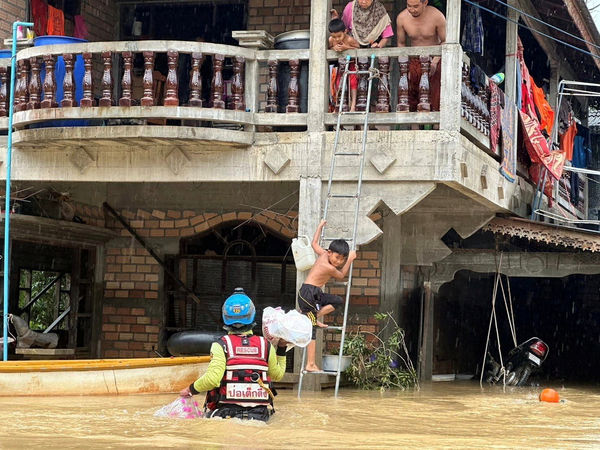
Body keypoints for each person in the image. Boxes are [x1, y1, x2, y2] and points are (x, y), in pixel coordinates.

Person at [179, 287, 287, 422]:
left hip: (225, 413)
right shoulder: (266, 345)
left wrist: (190, 389)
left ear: (225, 317)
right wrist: (282, 349)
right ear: (252, 315)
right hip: (260, 415)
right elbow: (277, 375)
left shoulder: (221, 345)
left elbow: (212, 379)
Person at [298, 220, 357, 372]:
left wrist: (319, 227)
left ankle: (313, 316)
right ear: (330, 253)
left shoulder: (324, 253)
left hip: (315, 293)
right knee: (311, 327)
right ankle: (310, 364)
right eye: (337, 257)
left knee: (337, 301)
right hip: (308, 293)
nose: (339, 261)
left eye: (343, 259)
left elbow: (314, 243)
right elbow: (342, 275)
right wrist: (350, 259)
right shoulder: (328, 266)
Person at [396, 0, 446, 111]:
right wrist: (405, 65)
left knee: (436, 90)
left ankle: (437, 125)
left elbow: (444, 41)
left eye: (416, 6)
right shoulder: (402, 18)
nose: (412, 10)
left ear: (425, 3)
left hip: (435, 57)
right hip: (415, 59)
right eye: (409, 6)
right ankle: (415, 126)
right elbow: (401, 43)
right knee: (410, 90)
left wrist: (434, 62)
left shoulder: (437, 16)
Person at [329, 18, 360, 111]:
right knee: (338, 83)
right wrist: (333, 48)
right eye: (334, 37)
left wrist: (346, 47)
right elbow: (329, 48)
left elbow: (359, 50)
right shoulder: (331, 40)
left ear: (345, 31)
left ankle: (353, 105)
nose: (337, 39)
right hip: (340, 66)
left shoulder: (350, 40)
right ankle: (339, 105)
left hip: (351, 64)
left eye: (339, 36)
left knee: (353, 83)